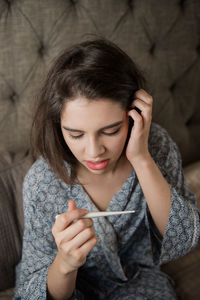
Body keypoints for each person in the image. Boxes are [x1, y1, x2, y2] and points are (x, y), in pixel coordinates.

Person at [14, 38, 200, 300]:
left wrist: (142, 158)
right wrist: (66, 264)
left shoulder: (156, 146)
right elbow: (31, 290)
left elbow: (184, 240)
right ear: (58, 126)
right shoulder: (42, 182)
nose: (94, 151)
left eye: (111, 130)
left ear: (133, 115)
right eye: (75, 134)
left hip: (140, 285)